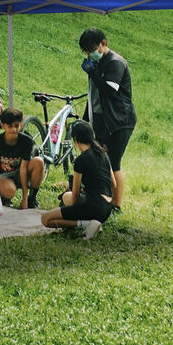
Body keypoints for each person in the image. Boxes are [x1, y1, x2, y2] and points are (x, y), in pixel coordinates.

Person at [78, 27, 136, 212]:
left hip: (120, 121)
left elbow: (109, 91)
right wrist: (87, 117)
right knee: (100, 159)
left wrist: (93, 73)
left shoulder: (115, 63)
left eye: (92, 49)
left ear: (103, 44)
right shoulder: (98, 62)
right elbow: (93, 93)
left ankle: (116, 205)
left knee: (113, 161)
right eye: (86, 51)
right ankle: (102, 199)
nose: (89, 54)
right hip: (102, 120)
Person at [40, 121, 115, 239]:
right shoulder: (103, 154)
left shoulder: (81, 160)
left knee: (45, 219)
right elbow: (113, 183)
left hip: (94, 206)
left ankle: (87, 224)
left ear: (75, 140)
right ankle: (92, 222)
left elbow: (75, 193)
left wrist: (73, 212)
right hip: (107, 208)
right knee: (66, 196)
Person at [0, 108, 45, 209]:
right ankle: (4, 197)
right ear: (2, 125)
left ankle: (31, 198)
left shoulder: (26, 141)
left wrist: (24, 199)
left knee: (39, 162)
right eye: (10, 126)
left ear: (21, 124)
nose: (14, 129)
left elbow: (24, 169)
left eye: (16, 126)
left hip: (20, 172)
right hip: (4, 176)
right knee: (9, 190)